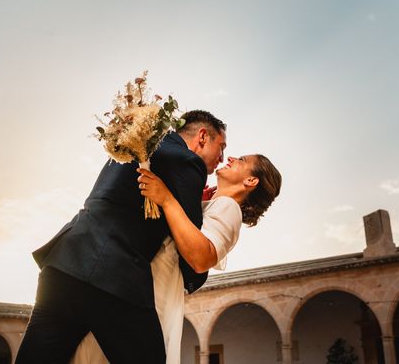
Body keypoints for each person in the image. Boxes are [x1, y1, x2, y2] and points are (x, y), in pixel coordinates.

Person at [15, 110, 227, 364]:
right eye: (221, 146)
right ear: (202, 136)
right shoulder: (187, 161)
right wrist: (195, 275)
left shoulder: (136, 145)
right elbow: (189, 244)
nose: (222, 158)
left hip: (64, 263)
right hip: (114, 276)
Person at [71, 153, 282, 363]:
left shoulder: (230, 207)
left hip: (151, 287)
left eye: (242, 161)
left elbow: (201, 257)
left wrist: (166, 199)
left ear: (251, 181)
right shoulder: (216, 204)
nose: (232, 158)